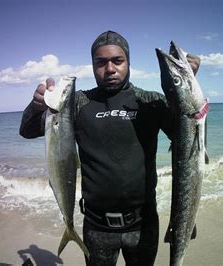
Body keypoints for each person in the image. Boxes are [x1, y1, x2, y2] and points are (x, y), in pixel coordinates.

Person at [19, 30, 200, 266]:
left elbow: (187, 136)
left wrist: (185, 87)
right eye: (101, 62)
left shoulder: (150, 101)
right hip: (96, 228)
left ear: (128, 62)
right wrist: (35, 106)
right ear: (93, 66)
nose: (110, 68)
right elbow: (28, 131)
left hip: (143, 226)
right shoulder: (77, 104)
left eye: (117, 60)